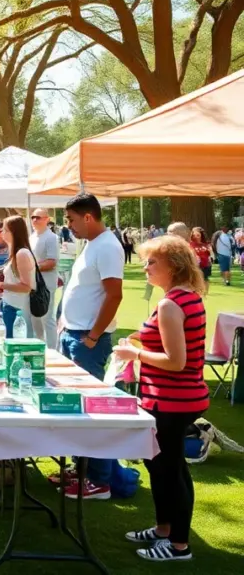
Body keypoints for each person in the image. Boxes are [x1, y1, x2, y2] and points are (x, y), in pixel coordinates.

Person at [112, 236, 209, 562]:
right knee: (161, 466)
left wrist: (134, 352)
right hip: (173, 398)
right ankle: (164, 529)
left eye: (152, 262)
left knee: (169, 469)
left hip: (173, 400)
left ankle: (179, 545)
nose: (146, 267)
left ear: (174, 266)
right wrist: (143, 342)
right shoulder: (186, 298)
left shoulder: (171, 303)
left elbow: (176, 361)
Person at [59, 194, 124, 500]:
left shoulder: (108, 246)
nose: (67, 225)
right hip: (75, 333)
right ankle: (80, 468)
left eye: (70, 219)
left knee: (91, 410)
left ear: (88, 217)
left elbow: (114, 295)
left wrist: (94, 336)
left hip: (88, 339)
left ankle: (99, 479)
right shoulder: (93, 244)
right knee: (75, 407)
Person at [0, 216, 36, 337]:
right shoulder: (16, 252)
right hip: (11, 304)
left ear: (13, 232)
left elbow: (26, 287)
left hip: (16, 308)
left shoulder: (22, 253)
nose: (2, 233)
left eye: (5, 230)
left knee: (13, 347)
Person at [30, 209, 60, 350]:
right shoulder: (32, 237)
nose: (35, 220)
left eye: (38, 217)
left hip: (46, 283)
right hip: (33, 283)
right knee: (35, 318)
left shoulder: (51, 237)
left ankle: (52, 350)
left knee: (47, 318)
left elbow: (51, 262)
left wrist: (31, 268)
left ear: (47, 219)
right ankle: (38, 347)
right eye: (33, 217)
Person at [190, 227, 212, 296]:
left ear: (201, 235)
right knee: (196, 279)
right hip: (195, 265)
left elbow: (211, 255)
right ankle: (197, 293)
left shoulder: (206, 244)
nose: (196, 237)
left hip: (206, 264)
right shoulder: (191, 244)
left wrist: (210, 253)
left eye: (198, 235)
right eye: (194, 235)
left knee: (205, 279)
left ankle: (204, 294)